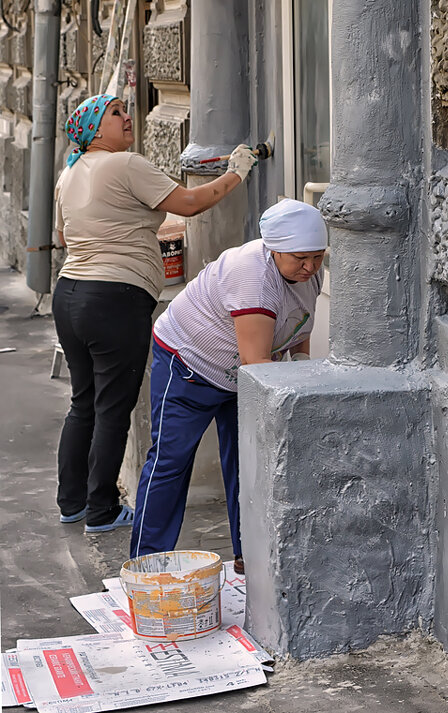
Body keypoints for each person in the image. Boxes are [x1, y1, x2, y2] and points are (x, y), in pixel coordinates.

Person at [53, 93, 257, 533]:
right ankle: (103, 511)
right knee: (113, 407)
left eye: (127, 110)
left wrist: (133, 226)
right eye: (116, 114)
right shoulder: (125, 164)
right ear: (93, 129)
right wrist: (237, 173)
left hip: (69, 295)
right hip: (114, 300)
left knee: (83, 401)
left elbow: (66, 236)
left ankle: (72, 502)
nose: (128, 118)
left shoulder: (68, 174)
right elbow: (189, 204)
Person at [130, 198, 328, 573]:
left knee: (247, 462)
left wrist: (301, 361)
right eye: (301, 258)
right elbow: (257, 364)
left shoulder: (308, 272)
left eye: (318, 257)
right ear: (274, 250)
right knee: (171, 462)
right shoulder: (251, 276)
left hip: (241, 375)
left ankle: (247, 558)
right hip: (190, 365)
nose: (311, 267)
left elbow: (299, 322)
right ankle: (146, 562)